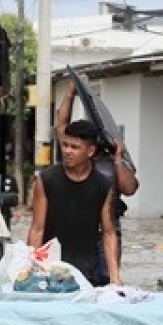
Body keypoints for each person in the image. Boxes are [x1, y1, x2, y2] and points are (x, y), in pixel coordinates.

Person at [54, 79, 138, 285]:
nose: (69, 149)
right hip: (75, 230)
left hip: (105, 233)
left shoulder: (114, 162)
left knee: (106, 282)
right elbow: (60, 127)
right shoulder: (74, 159)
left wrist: (118, 158)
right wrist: (71, 93)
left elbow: (129, 188)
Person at [28, 119, 122, 286]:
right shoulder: (47, 179)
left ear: (90, 151)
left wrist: (114, 275)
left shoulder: (103, 185)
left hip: (87, 272)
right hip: (51, 270)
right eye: (65, 145)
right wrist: (30, 268)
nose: (67, 151)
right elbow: (37, 228)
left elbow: (109, 232)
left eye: (75, 147)